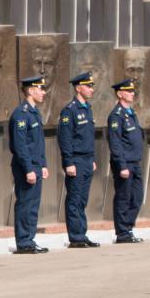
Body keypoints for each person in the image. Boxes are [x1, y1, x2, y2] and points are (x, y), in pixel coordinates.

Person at [8, 75, 49, 254]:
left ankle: (29, 239)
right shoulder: (21, 114)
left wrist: (43, 164)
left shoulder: (34, 113)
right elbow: (20, 145)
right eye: (40, 89)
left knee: (33, 206)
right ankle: (24, 242)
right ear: (31, 90)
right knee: (25, 204)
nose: (44, 92)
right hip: (26, 167)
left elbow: (38, 143)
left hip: (36, 166)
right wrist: (29, 169)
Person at [58, 71, 100, 248]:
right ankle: (75, 236)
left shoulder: (87, 108)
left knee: (82, 199)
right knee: (74, 199)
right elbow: (65, 138)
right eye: (88, 86)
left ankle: (81, 233)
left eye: (92, 86)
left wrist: (92, 158)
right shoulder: (70, 110)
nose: (91, 89)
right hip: (75, 160)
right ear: (78, 88)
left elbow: (88, 137)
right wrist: (68, 162)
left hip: (86, 159)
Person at [107, 78, 144, 244]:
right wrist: (121, 165)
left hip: (135, 163)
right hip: (125, 164)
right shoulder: (116, 116)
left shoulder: (131, 114)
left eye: (133, 91)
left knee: (137, 197)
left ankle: (128, 227)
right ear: (120, 93)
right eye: (128, 91)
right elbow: (115, 143)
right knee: (124, 197)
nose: (132, 93)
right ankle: (122, 232)